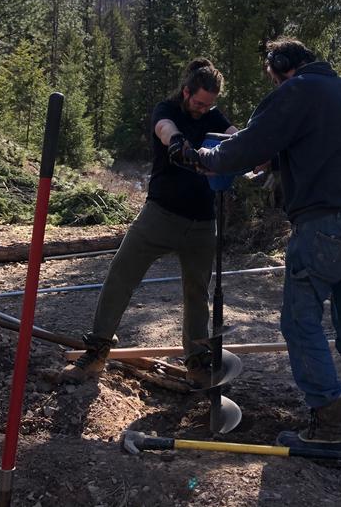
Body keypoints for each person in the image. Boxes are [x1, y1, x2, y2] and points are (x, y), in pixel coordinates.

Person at [196, 38, 341, 453]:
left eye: (273, 75)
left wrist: (204, 158)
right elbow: (328, 146)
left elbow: (249, 143)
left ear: (282, 66)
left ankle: (329, 423)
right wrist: (281, 161)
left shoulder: (297, 90)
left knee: (301, 322)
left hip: (321, 226)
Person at [64, 58, 237, 386]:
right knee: (121, 275)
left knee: (198, 293)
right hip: (160, 215)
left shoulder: (213, 115)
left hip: (202, 222)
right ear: (186, 92)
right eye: (199, 102)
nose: (203, 109)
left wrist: (251, 151)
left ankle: (198, 364)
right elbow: (164, 129)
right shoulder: (167, 109)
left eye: (209, 104)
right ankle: (96, 353)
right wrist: (176, 143)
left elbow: (234, 135)